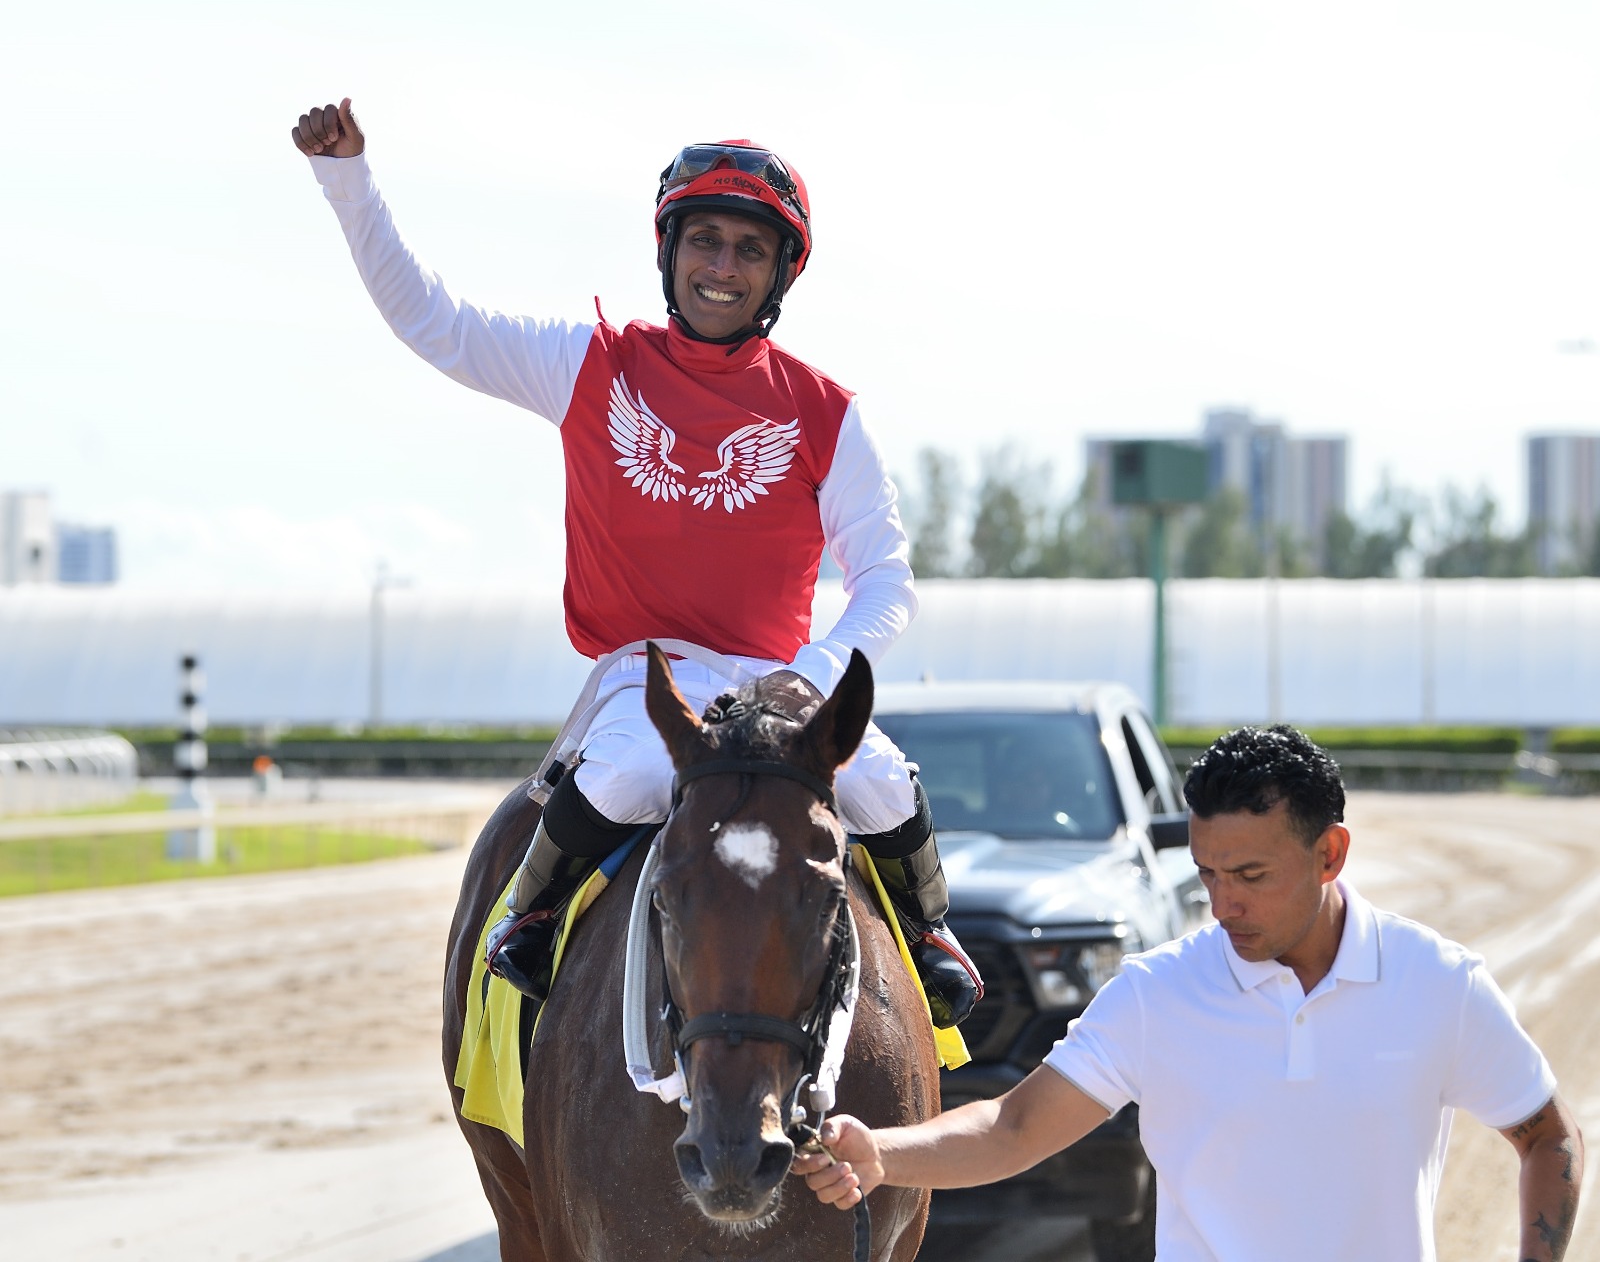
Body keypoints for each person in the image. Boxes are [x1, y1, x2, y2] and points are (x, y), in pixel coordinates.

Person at [290, 100, 980, 1028]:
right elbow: (432, 320)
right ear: (670, 252)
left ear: (781, 270)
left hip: (777, 688)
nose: (722, 267)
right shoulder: (589, 364)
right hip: (648, 680)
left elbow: (887, 581)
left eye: (748, 249)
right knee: (623, 775)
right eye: (705, 241)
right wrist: (349, 179)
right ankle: (530, 920)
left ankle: (932, 939)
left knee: (881, 781)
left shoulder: (827, 413)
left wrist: (812, 677)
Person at [794, 724, 1583, 1260]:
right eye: (1208, 875)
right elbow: (1013, 1126)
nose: (1224, 902)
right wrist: (882, 1153)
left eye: (1251, 876)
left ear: (1330, 853)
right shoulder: (1157, 996)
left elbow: (1547, 1135)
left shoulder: (1437, 984)